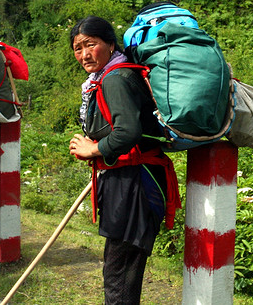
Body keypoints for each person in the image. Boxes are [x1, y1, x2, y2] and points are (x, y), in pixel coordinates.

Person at [68, 16, 180, 304]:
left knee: (120, 271)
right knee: (122, 269)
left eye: (91, 45)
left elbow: (128, 131)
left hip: (135, 183)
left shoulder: (115, 79)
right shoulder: (112, 75)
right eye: (78, 48)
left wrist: (92, 150)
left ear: (110, 44)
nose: (84, 54)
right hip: (131, 179)